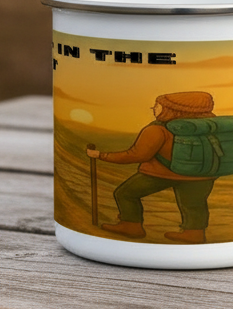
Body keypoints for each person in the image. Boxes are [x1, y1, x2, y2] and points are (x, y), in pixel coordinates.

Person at [86, 91, 216, 244]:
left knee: (126, 193)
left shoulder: (157, 129)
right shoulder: (212, 127)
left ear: (170, 109)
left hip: (162, 173)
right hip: (204, 173)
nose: (154, 108)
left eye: (157, 105)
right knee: (194, 203)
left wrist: (101, 155)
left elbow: (136, 155)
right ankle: (195, 233)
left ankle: (131, 226)